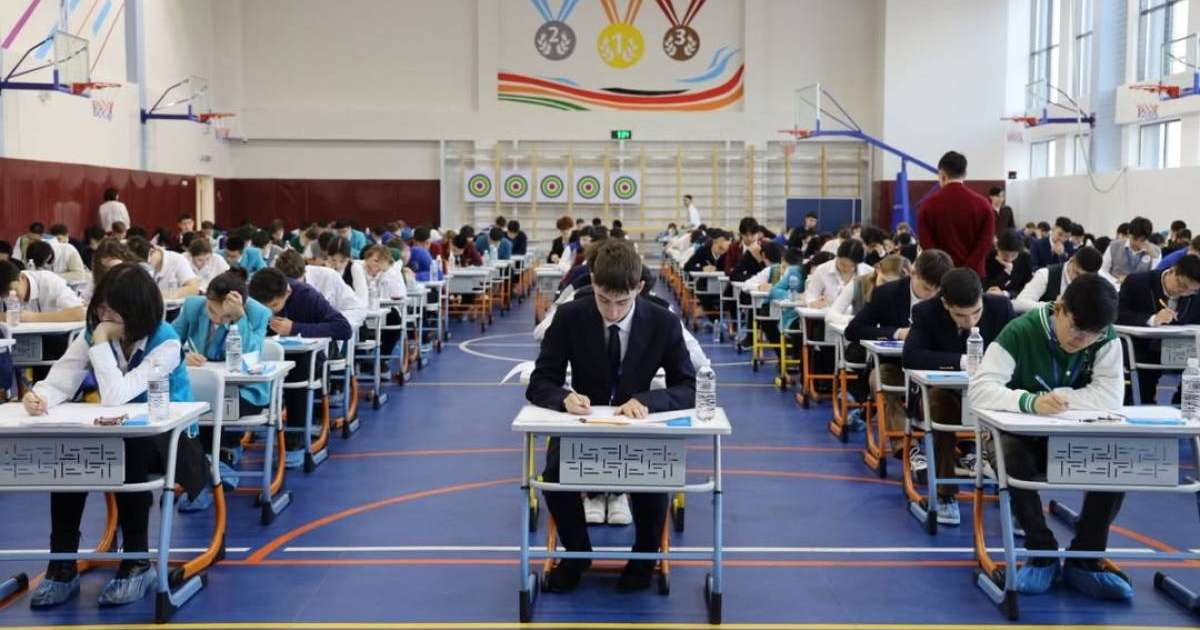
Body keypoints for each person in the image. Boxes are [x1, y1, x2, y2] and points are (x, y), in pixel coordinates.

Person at [22, 263, 205, 608]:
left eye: (113, 309)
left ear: (138, 309)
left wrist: (103, 343)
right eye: (101, 307)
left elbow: (116, 394)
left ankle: (136, 561)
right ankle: (62, 563)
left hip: (171, 441)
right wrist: (41, 396)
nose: (104, 316)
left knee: (130, 450)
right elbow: (64, 377)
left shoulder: (166, 341)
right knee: (70, 451)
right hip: (118, 436)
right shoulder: (95, 332)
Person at [527, 239, 695, 594]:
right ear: (592, 281)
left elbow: (688, 387)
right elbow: (542, 379)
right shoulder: (571, 316)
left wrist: (647, 400)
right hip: (582, 426)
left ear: (639, 288)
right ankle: (577, 554)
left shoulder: (663, 322)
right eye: (604, 300)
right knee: (554, 479)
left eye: (623, 301)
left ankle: (643, 560)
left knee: (654, 481)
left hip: (640, 429)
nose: (613, 311)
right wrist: (564, 397)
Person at [968, 273, 1132, 601]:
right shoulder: (1020, 331)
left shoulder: (1106, 338)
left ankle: (1085, 558)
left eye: (1091, 335)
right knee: (1010, 455)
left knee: (1119, 460)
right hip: (1020, 440)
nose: (1081, 340)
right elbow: (980, 390)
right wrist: (1029, 402)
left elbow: (1111, 396)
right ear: (1059, 309)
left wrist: (1057, 399)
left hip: (1075, 438)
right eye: (1075, 328)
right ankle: (1041, 552)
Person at [902, 269, 1014, 525]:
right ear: (945, 304)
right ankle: (945, 494)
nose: (971, 320)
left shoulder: (1001, 308)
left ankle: (1015, 494)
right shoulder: (925, 312)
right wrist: (962, 361)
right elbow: (912, 356)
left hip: (991, 392)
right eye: (961, 315)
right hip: (942, 394)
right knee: (940, 407)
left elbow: (1016, 353)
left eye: (976, 312)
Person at [171, 270, 271, 510]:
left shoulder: (257, 313)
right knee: (186, 412)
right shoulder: (193, 306)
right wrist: (182, 355)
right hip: (202, 387)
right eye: (212, 312)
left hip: (243, 390)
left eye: (225, 316)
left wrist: (240, 320)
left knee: (210, 410)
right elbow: (168, 340)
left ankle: (209, 471)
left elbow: (250, 358)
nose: (217, 319)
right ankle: (212, 468)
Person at [843, 250, 954, 447]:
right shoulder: (886, 293)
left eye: (937, 291)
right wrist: (896, 332)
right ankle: (906, 448)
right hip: (895, 366)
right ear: (913, 273)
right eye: (926, 288)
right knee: (880, 378)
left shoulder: (947, 298)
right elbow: (854, 330)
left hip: (935, 369)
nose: (931, 295)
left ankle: (963, 447)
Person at [248, 267, 352, 467]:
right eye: (264, 308)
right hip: (265, 360)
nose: (270, 312)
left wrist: (295, 328)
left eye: (275, 305)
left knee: (299, 366)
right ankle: (232, 440)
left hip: (306, 361)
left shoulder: (307, 295)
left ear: (287, 293)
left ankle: (295, 436)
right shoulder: (250, 299)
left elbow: (343, 329)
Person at [1116, 254, 1200, 404]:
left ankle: (1185, 408)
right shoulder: (1138, 282)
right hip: (1142, 349)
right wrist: (1152, 319)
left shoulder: (1195, 296)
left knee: (1193, 383)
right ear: (1172, 270)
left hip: (1183, 352)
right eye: (1181, 285)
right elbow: (1118, 315)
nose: (1184, 292)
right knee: (1142, 393)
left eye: (1191, 291)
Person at [917, 151, 994, 277]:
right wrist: (967, 267)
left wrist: (945, 268)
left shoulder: (928, 205)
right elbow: (986, 242)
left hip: (940, 275)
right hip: (972, 276)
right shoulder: (983, 204)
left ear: (942, 175)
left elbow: (926, 244)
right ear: (964, 174)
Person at [1013, 246, 1104, 313]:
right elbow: (1018, 304)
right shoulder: (1045, 274)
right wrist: (1052, 306)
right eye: (1077, 273)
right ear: (1072, 259)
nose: (1079, 280)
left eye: (1085, 277)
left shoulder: (1092, 283)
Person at [0, 259, 86, 323]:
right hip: (24, 337)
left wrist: (34, 317)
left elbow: (79, 313)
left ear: (22, 277)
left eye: (14, 291)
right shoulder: (8, 284)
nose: (12, 297)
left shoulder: (49, 281)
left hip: (59, 336)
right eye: (5, 296)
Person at [805, 239, 872, 308]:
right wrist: (813, 303)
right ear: (837, 256)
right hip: (826, 316)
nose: (845, 268)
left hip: (858, 317)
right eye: (842, 264)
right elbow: (811, 295)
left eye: (851, 266)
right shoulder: (823, 270)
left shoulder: (868, 272)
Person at [126, 236, 200, 299]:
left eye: (148, 263)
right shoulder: (134, 265)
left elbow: (193, 288)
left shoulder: (177, 259)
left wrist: (163, 294)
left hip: (175, 310)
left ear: (152, 252)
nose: (147, 268)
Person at [1100, 216, 1160, 283]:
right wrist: (1115, 281)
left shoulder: (1156, 252)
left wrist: (1153, 257)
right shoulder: (1114, 246)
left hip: (1139, 290)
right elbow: (1102, 270)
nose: (1137, 243)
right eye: (1134, 239)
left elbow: (1153, 278)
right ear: (1128, 233)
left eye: (1142, 240)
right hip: (1114, 287)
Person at [984, 229, 1034, 298]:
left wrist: (1006, 293)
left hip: (1017, 300)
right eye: (1005, 254)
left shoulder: (1025, 258)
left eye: (1013, 255)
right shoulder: (989, 258)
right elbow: (989, 288)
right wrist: (1007, 271)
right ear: (997, 248)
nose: (1009, 259)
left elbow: (1028, 286)